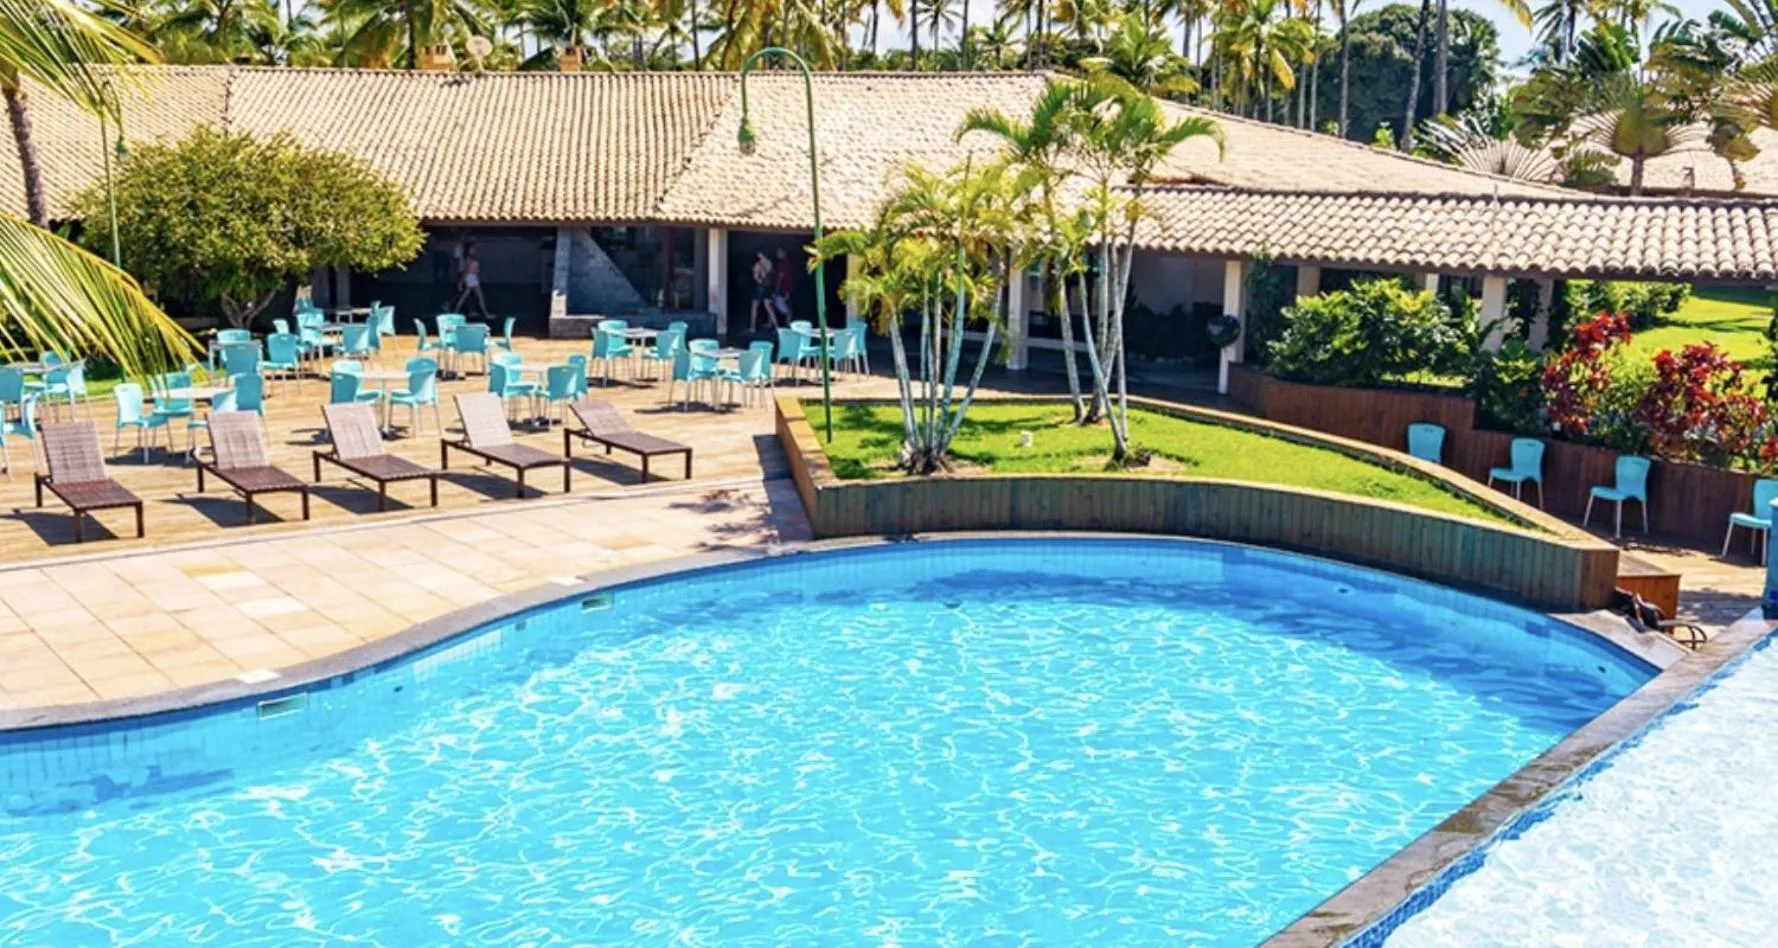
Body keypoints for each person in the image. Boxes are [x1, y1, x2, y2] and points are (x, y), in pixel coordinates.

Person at [452, 241, 490, 320]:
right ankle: (486, 314)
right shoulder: (468, 258)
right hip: (470, 277)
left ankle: (455, 312)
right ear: (469, 249)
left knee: (467, 296)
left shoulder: (472, 258)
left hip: (473, 277)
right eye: (472, 248)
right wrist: (462, 281)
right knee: (478, 296)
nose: (474, 250)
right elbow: (466, 270)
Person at [748, 251, 775, 333]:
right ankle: (774, 326)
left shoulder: (758, 264)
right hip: (768, 286)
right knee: (769, 307)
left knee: (754, 307)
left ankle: (752, 327)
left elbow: (756, 277)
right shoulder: (769, 262)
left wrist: (757, 277)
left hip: (759, 286)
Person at [772, 247, 795, 322]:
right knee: (775, 305)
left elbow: (780, 277)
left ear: (784, 253)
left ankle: (788, 324)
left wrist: (777, 288)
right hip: (785, 288)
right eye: (777, 252)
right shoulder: (782, 263)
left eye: (779, 252)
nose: (777, 254)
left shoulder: (783, 263)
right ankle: (772, 323)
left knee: (787, 307)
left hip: (784, 288)